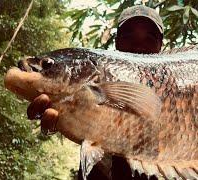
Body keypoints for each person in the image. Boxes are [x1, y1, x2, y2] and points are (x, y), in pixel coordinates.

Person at [27, 5, 164, 180]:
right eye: (129, 37)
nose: (138, 45)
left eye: (149, 38)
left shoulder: (176, 85)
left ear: (160, 44)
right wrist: (58, 124)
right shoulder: (98, 77)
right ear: (117, 41)